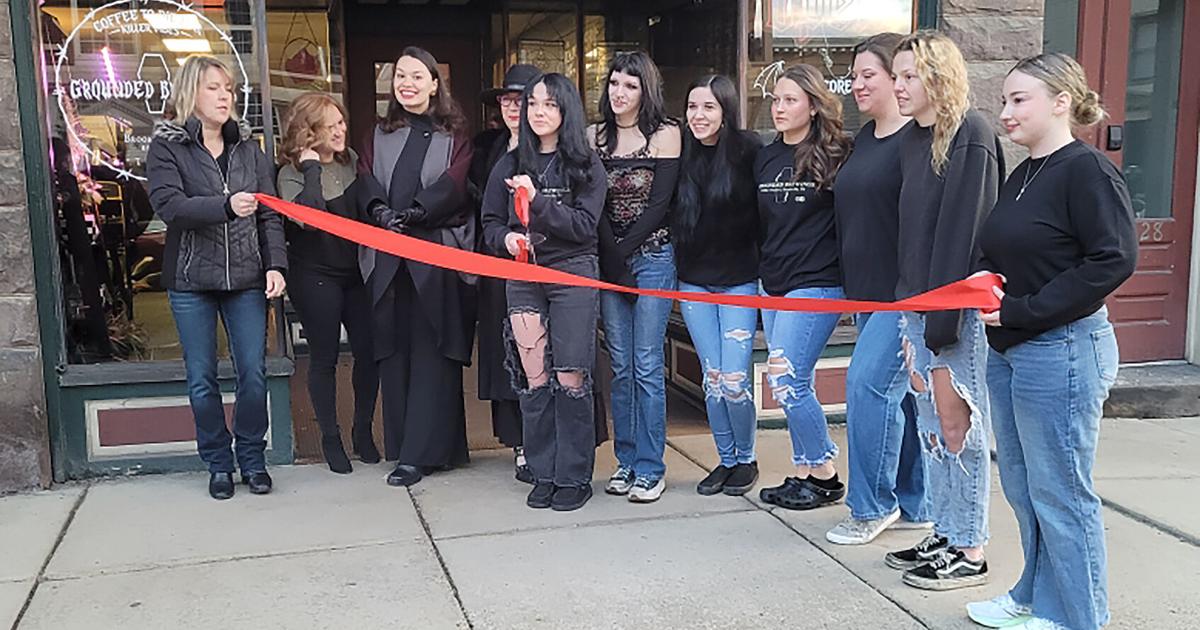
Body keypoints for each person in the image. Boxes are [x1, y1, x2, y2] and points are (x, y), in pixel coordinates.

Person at [966, 53, 1137, 630]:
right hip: (1012, 351)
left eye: (1020, 100)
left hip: (1061, 350)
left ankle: (1078, 616)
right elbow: (1008, 247)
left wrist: (1024, 309)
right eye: (1005, 101)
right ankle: (1036, 595)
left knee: (1061, 492)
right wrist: (985, 279)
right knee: (1024, 487)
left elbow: (1113, 259)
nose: (1006, 112)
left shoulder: (1087, 172)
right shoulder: (1025, 173)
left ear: (1061, 102)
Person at [885, 30, 1004, 590]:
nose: (899, 86)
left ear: (939, 77)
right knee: (931, 424)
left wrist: (942, 322)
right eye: (897, 76)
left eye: (910, 76)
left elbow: (964, 233)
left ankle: (971, 546)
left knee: (960, 425)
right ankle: (946, 528)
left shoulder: (970, 133)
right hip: (914, 303)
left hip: (952, 310)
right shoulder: (913, 138)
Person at [147, 54, 286, 500]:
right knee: (202, 379)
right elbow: (170, 206)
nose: (225, 96)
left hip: (246, 278)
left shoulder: (248, 148)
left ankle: (252, 458)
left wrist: (275, 264)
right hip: (191, 281)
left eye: (228, 88)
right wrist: (225, 206)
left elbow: (269, 214)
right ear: (191, 92)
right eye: (214, 88)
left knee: (254, 374)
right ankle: (218, 463)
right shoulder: (167, 147)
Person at [481, 72, 608, 512]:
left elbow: (584, 227)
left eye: (549, 104)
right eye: (532, 103)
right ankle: (543, 471)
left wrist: (536, 202)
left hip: (573, 273)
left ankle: (573, 476)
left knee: (571, 377)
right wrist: (506, 239)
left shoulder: (586, 165)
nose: (537, 112)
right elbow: (490, 223)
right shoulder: (510, 162)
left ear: (566, 109)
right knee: (534, 378)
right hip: (523, 276)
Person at [826, 33, 931, 545]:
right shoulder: (865, 138)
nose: (858, 84)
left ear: (899, 78)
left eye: (869, 74)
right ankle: (917, 501)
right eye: (854, 75)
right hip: (866, 295)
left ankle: (871, 507)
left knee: (866, 387)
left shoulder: (919, 142)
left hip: (904, 297)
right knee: (901, 401)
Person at [359, 46, 474, 488]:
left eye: (416, 76)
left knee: (432, 354)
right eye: (400, 76)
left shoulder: (454, 136)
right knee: (395, 352)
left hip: (434, 255)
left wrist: (418, 212)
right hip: (389, 255)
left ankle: (421, 455)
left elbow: (455, 184)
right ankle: (406, 446)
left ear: (433, 84)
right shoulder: (378, 134)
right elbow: (366, 177)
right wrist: (379, 211)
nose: (407, 84)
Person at [753, 64, 851, 512]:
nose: (779, 108)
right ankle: (806, 474)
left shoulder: (838, 154)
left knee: (786, 378)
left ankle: (825, 474)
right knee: (796, 381)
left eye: (790, 100)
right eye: (776, 99)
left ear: (813, 106)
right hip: (773, 282)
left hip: (818, 281)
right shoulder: (766, 157)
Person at [590, 51, 682, 504]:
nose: (619, 92)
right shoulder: (593, 136)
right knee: (622, 367)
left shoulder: (666, 134)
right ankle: (625, 461)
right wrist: (612, 258)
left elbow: (660, 205)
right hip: (610, 262)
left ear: (646, 90)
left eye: (630, 84)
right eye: (614, 83)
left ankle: (650, 467)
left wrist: (624, 254)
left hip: (653, 259)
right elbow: (593, 204)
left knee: (647, 364)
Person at [277, 92, 381, 474]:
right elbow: (310, 219)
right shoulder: (289, 174)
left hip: (354, 272)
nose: (340, 131)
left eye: (341, 123)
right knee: (324, 357)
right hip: (314, 275)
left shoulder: (350, 159)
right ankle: (331, 438)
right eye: (330, 126)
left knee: (368, 352)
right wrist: (311, 169)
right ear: (309, 132)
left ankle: (362, 431)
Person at [672, 75, 763, 496]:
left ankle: (746, 459)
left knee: (734, 380)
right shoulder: (681, 151)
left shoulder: (749, 150)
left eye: (708, 107)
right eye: (692, 107)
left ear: (725, 110)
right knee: (712, 380)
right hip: (694, 283)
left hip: (739, 281)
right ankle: (725, 460)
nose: (698, 115)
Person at [469, 64, 542, 483]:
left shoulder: (552, 148)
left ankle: (543, 439)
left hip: (546, 267)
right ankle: (519, 443)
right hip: (497, 264)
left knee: (541, 355)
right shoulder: (487, 148)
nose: (513, 107)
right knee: (506, 356)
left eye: (521, 100)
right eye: (506, 100)